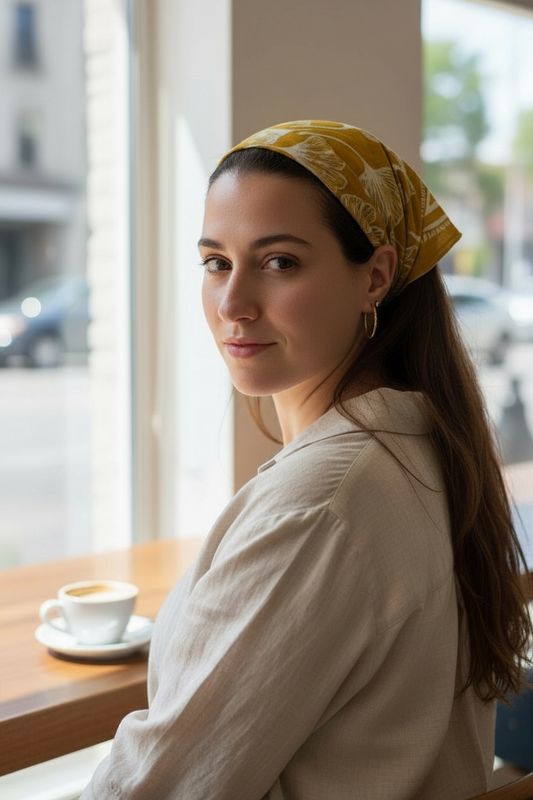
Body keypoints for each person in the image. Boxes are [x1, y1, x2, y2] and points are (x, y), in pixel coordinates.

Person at [81, 120, 532, 799]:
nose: (232, 303)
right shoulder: (418, 444)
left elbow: (158, 786)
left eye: (278, 262)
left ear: (374, 276)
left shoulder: (322, 503)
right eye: (215, 262)